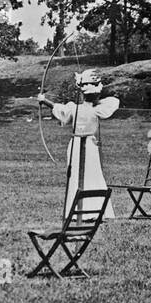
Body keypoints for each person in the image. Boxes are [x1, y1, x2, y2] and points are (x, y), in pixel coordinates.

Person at [37, 69, 119, 219]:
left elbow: (59, 109)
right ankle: (88, 211)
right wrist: (45, 101)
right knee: (84, 175)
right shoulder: (89, 108)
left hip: (85, 145)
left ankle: (89, 211)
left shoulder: (86, 108)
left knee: (87, 175)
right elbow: (61, 109)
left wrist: (44, 100)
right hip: (82, 145)